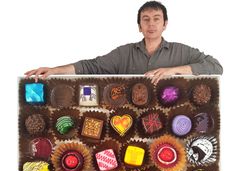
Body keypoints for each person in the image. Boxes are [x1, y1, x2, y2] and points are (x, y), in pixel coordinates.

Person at [25, 1, 223, 84]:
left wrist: (174, 70)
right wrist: (54, 70)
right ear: (139, 26)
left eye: (156, 19)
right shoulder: (124, 53)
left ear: (165, 24)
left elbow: (216, 67)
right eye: (146, 19)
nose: (151, 24)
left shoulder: (182, 52)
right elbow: (91, 66)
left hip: (173, 123)